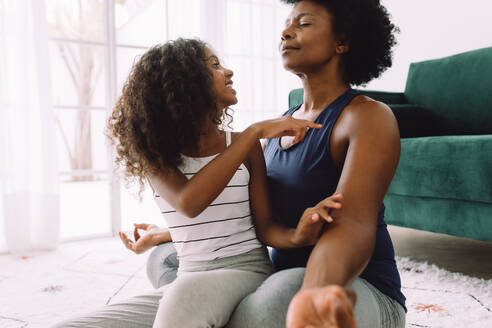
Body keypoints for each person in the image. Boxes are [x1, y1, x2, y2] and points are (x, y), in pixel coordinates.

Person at [54, 0, 407, 326]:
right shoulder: (279, 126)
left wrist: (313, 291)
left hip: (346, 287)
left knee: (278, 295)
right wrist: (169, 233)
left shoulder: (366, 117)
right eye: (286, 24)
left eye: (304, 23)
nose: (285, 32)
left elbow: (354, 226)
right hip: (268, 278)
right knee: (165, 260)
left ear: (342, 42)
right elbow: (252, 216)